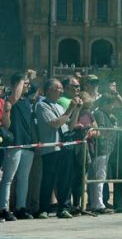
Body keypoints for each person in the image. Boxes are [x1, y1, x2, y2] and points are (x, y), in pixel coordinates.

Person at [35, 78, 83, 219]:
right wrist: (70, 109)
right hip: (51, 148)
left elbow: (70, 126)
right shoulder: (42, 105)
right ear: (50, 89)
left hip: (64, 148)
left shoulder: (60, 107)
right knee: (48, 179)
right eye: (59, 88)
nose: (61, 91)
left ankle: (63, 207)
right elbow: (55, 124)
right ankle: (43, 209)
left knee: (65, 180)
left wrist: (76, 110)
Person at [0, 71, 38, 221]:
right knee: (8, 178)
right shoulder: (10, 99)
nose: (27, 86)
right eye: (25, 84)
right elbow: (15, 96)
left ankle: (21, 207)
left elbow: (34, 89)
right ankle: (3, 208)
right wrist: (23, 77)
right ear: (18, 84)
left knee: (24, 178)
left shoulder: (27, 101)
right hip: (14, 144)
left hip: (27, 144)